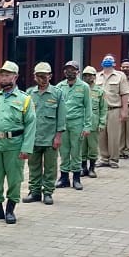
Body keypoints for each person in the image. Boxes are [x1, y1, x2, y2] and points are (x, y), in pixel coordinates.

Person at [0, 61, 35, 224]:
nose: (4, 78)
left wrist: (26, 148)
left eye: (7, 75)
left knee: (14, 179)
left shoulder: (25, 99)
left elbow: (31, 124)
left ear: (15, 77)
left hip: (15, 145)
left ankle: (10, 209)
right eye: (2, 75)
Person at [23, 62, 66, 205]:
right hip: (33, 138)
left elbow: (61, 117)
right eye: (39, 76)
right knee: (33, 166)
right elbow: (24, 117)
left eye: (45, 76)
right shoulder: (29, 93)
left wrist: (58, 136)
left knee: (50, 167)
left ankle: (48, 192)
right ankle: (34, 192)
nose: (42, 79)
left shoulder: (57, 93)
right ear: (34, 77)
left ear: (50, 76)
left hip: (50, 138)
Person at [56, 60, 92, 190]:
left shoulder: (84, 87)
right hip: (63, 124)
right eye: (67, 69)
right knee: (64, 151)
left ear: (78, 71)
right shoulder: (59, 86)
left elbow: (88, 107)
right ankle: (64, 178)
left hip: (77, 123)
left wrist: (87, 126)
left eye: (72, 69)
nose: (69, 71)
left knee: (76, 151)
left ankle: (76, 178)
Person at [95, 55, 129, 169]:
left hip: (114, 109)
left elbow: (124, 94)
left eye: (110, 60)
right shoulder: (97, 76)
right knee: (101, 135)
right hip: (100, 110)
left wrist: (124, 110)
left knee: (114, 136)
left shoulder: (120, 76)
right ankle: (103, 158)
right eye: (105, 59)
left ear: (114, 63)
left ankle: (114, 159)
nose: (107, 61)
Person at [80, 66, 107, 179]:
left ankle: (92, 168)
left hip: (93, 123)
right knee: (82, 147)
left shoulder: (99, 91)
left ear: (95, 77)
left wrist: (102, 123)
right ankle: (83, 168)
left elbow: (103, 108)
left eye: (91, 75)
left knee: (93, 147)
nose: (88, 77)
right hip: (81, 123)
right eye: (86, 75)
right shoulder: (79, 89)